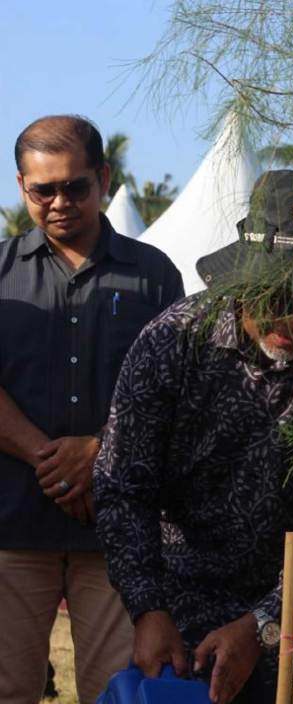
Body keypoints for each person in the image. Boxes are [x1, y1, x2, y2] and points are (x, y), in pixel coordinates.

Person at [94, 170, 293, 704]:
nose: (292, 316)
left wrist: (264, 624)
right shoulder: (173, 342)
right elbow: (123, 485)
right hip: (185, 624)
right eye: (275, 292)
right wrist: (147, 608)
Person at [0, 114, 183, 704]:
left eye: (75, 186)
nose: (59, 202)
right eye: (42, 190)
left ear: (103, 178)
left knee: (118, 691)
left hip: (119, 536)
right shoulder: (0, 275)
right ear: (22, 186)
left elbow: (174, 392)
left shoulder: (154, 276)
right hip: (11, 527)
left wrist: (99, 452)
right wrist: (51, 460)